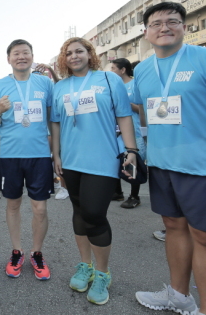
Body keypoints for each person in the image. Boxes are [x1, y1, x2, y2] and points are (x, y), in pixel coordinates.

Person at [132, 2, 206, 315]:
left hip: (203, 166)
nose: (164, 27)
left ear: (184, 27)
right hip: (161, 165)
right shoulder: (142, 69)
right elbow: (139, 106)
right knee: (173, 227)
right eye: (156, 23)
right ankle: (179, 296)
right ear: (146, 32)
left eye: (172, 21)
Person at [50, 37, 137, 305]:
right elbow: (55, 122)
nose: (74, 56)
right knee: (79, 212)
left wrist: (132, 151)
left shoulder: (109, 81)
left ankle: (102, 273)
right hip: (71, 161)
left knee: (95, 214)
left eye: (79, 51)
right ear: (63, 59)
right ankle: (85, 266)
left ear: (90, 54)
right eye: (68, 53)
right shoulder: (60, 87)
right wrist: (56, 155)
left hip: (102, 159)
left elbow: (124, 115)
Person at [0, 39, 55, 281]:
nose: (21, 57)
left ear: (32, 56)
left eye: (25, 53)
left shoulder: (45, 83)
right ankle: (17, 251)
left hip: (39, 156)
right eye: (16, 54)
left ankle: (37, 253)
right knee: (12, 205)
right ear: (9, 59)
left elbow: (53, 120)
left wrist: (56, 154)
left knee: (40, 208)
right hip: (9, 156)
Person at [110, 58, 147, 209]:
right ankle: (117, 192)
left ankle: (134, 196)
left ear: (123, 70)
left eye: (113, 68)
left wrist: (127, 104)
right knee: (116, 160)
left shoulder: (135, 84)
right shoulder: (112, 86)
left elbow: (142, 110)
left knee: (132, 162)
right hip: (116, 132)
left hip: (134, 131)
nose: (111, 71)